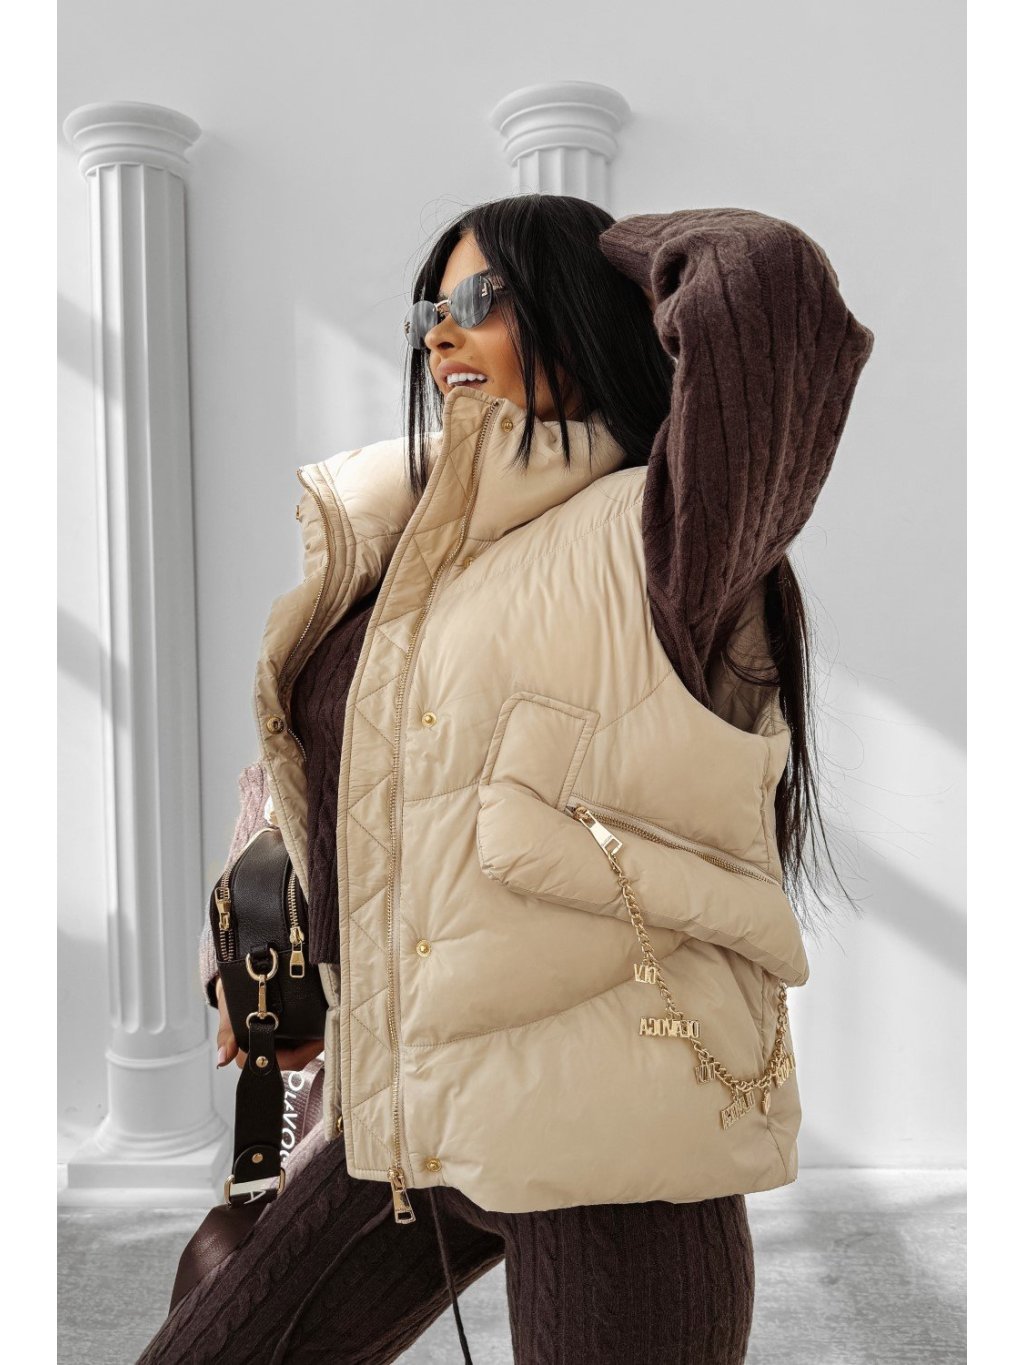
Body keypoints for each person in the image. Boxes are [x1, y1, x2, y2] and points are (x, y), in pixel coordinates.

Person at [138, 194, 874, 1364]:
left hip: (614, 1157)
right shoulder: (402, 561)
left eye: (482, 299)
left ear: (580, 310)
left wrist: (611, 249)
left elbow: (767, 287)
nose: (439, 333)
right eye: (428, 312)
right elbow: (342, 791)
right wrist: (267, 949)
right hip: (402, 1122)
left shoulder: (670, 534)